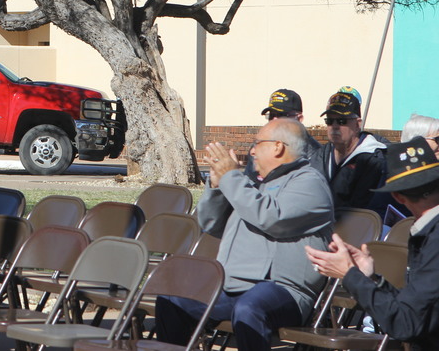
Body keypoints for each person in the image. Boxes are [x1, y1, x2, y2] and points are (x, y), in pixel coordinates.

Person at [157, 117, 333, 351]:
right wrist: (218, 186)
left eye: (257, 143)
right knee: (171, 299)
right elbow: (211, 223)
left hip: (283, 291)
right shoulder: (252, 184)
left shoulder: (310, 184)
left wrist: (232, 177)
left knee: (250, 308)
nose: (252, 151)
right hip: (231, 287)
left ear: (278, 147)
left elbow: (271, 218)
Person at [306, 137, 439, 350]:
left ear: (397, 197)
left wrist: (349, 275)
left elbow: (406, 323)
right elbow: (413, 309)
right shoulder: (431, 233)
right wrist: (371, 277)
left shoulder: (434, 239)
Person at [310, 87, 389, 216]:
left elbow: (367, 209)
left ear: (357, 124)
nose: (334, 126)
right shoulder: (320, 155)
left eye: (342, 121)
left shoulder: (375, 160)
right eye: (329, 121)